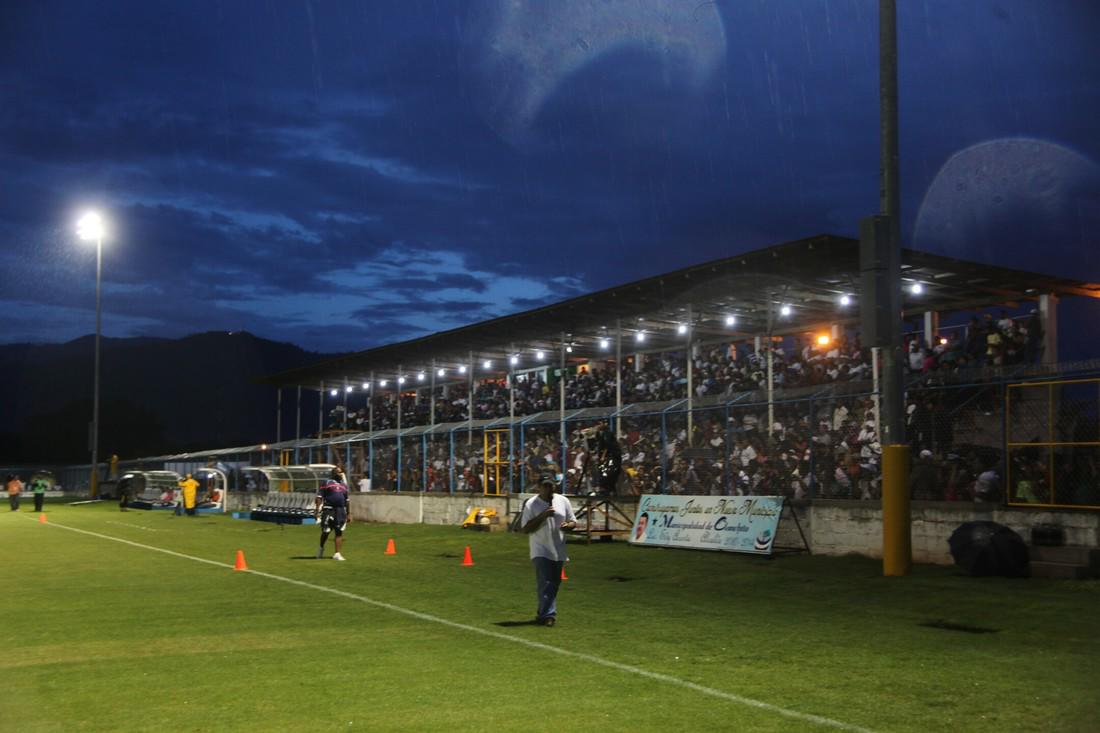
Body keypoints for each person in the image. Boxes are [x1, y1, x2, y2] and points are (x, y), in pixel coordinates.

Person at [519, 475, 577, 627]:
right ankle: (548, 616)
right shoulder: (531, 504)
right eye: (545, 486)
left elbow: (573, 521)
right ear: (538, 487)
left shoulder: (563, 501)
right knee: (546, 582)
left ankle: (542, 612)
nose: (548, 489)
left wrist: (568, 526)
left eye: (551, 486)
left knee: (554, 583)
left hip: (558, 549)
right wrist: (543, 516)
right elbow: (525, 528)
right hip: (540, 549)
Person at [315, 470, 350, 560]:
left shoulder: (344, 485)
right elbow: (319, 497)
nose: (341, 474)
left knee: (339, 531)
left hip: (340, 510)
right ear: (334, 474)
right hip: (328, 509)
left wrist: (349, 513)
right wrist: (317, 510)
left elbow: (347, 500)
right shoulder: (327, 482)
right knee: (326, 531)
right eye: (339, 472)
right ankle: (321, 548)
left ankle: (337, 554)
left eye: (342, 472)